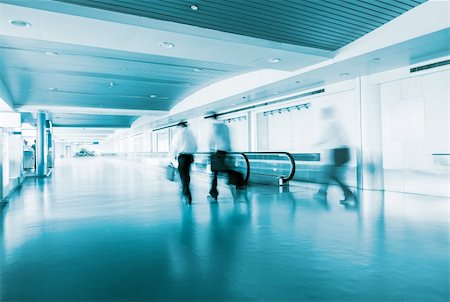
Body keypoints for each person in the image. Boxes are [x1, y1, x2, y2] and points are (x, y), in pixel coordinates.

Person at [315, 106, 356, 202]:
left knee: (332, 174)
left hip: (338, 152)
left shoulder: (330, 124)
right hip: (343, 151)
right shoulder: (337, 123)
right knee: (332, 174)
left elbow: (325, 138)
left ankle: (348, 194)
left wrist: (315, 144)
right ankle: (323, 193)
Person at [169, 121, 197, 204]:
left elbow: (174, 147)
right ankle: (185, 192)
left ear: (180, 126)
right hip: (190, 157)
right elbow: (195, 147)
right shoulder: (191, 134)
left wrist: (171, 157)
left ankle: (186, 194)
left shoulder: (178, 134)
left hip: (183, 157)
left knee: (183, 176)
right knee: (187, 176)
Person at [207, 113, 231, 202]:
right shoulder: (225, 126)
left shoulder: (215, 127)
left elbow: (212, 141)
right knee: (224, 172)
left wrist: (210, 152)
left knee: (215, 175)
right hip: (225, 152)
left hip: (217, 153)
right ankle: (236, 187)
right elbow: (228, 139)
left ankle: (213, 194)